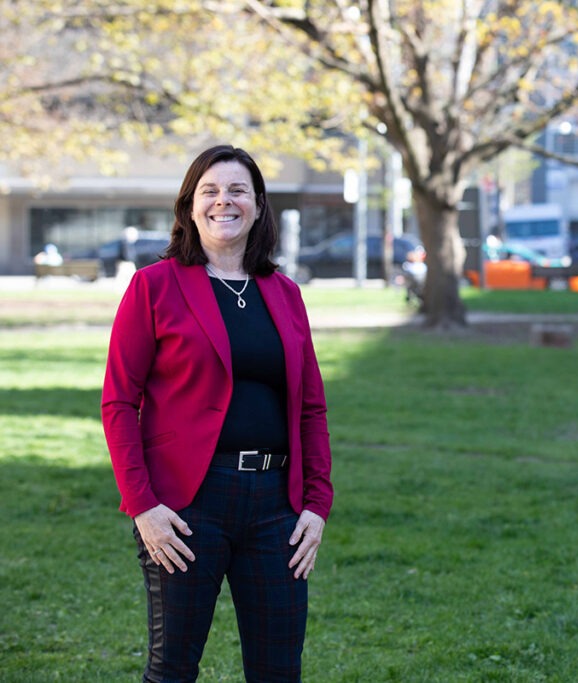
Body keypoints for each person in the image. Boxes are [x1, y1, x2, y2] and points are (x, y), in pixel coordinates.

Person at [102, 145, 333, 682]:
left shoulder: (285, 294)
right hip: (185, 508)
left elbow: (311, 408)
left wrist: (316, 505)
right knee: (173, 669)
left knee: (279, 671)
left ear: (257, 206)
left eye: (236, 191)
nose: (222, 201)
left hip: (277, 507)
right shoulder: (154, 286)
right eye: (209, 190)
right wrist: (143, 506)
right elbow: (118, 402)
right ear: (189, 205)